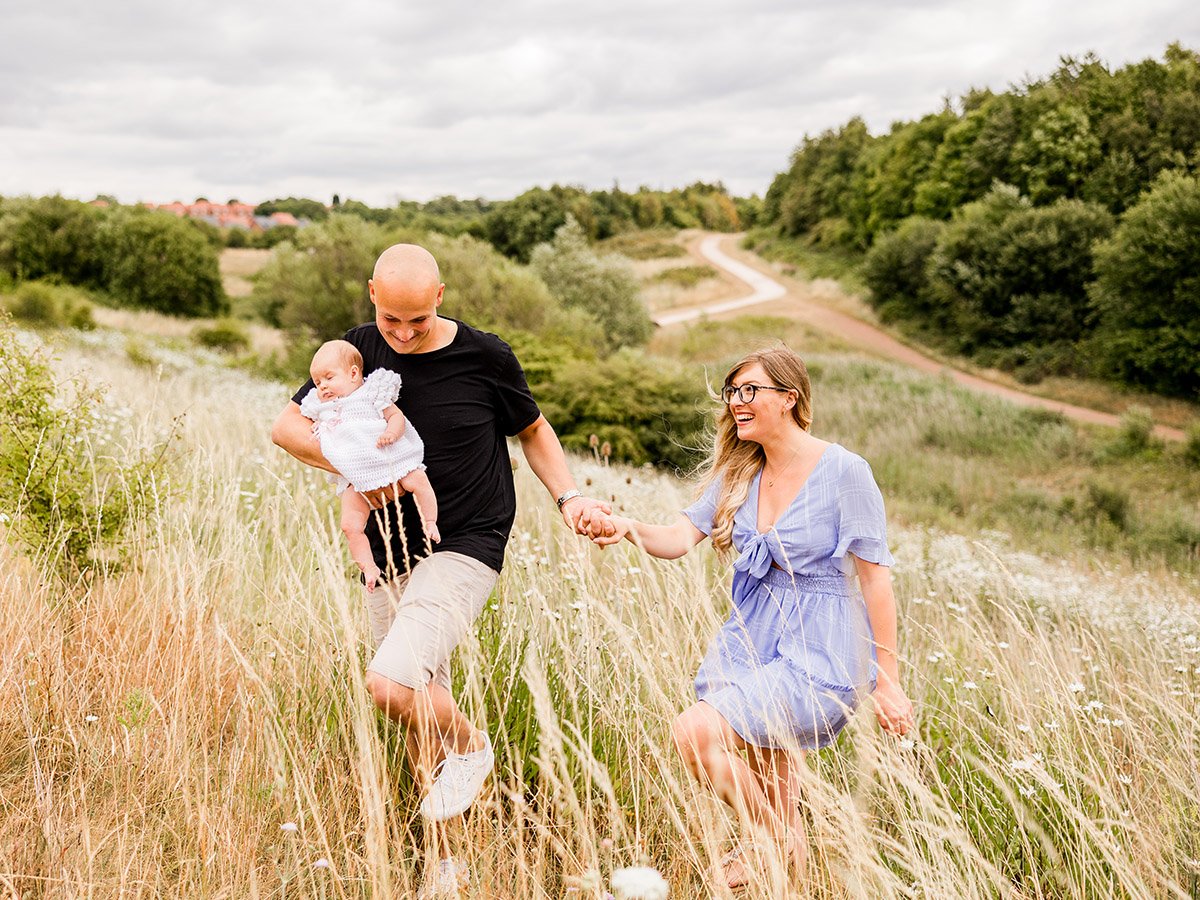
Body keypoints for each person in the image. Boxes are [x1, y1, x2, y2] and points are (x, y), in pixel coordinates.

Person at [271, 243, 610, 897]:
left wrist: (568, 497)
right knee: (421, 704)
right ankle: (447, 866)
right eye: (391, 320)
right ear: (372, 293)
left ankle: (475, 746)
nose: (401, 334)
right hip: (389, 552)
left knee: (392, 687)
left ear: (440, 297)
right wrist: (357, 464)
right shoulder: (356, 350)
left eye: (417, 322)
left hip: (466, 543)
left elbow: (534, 430)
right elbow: (286, 427)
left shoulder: (485, 356)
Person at [590, 346, 914, 890]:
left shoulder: (844, 472)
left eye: (750, 391)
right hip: (752, 637)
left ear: (790, 398)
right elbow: (677, 539)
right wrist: (626, 526)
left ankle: (769, 840)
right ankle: (789, 865)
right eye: (732, 392)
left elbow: (876, 580)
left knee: (694, 734)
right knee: (774, 778)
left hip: (818, 645)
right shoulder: (742, 471)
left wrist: (890, 681)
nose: (737, 402)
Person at [300, 339, 439, 591]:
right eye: (318, 382)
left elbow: (395, 416)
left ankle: (430, 521)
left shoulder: (372, 392)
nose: (322, 386)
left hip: (388, 457)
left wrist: (392, 433)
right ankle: (369, 567)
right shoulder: (321, 406)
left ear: (354, 374)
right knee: (350, 525)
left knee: (418, 479)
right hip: (356, 475)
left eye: (329, 378)